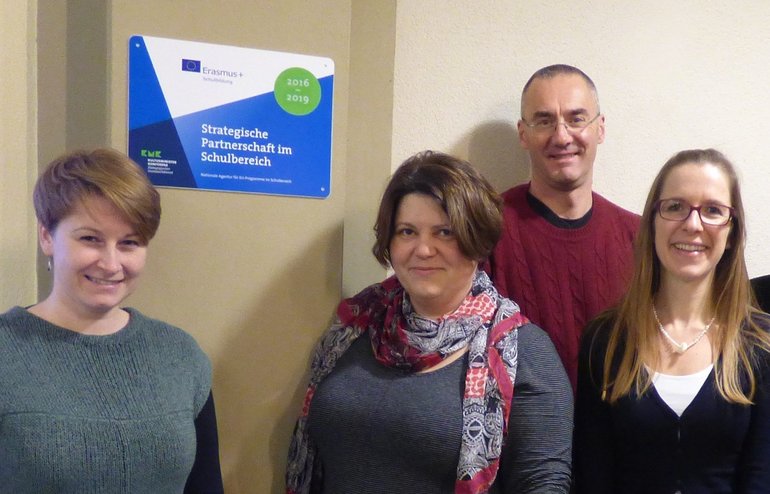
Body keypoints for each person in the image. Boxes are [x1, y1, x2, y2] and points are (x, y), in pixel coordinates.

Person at [286, 151, 572, 493]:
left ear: (477, 241)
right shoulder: (354, 327)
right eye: (407, 231)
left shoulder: (524, 352)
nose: (423, 249)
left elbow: (542, 483)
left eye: (445, 232)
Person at [0, 149, 224, 492]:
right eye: (90, 238)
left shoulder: (181, 357)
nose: (110, 263)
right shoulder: (7, 351)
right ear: (47, 237)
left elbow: (205, 487)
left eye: (129, 243)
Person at [573, 149, 770, 493]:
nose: (692, 224)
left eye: (712, 210)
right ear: (652, 222)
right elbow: (593, 475)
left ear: (731, 231)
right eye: (675, 207)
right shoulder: (606, 339)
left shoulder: (760, 341)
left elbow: (761, 476)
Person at [486, 64, 639, 390]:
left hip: (618, 437)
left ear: (600, 128)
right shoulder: (486, 230)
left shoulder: (639, 237)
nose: (561, 135)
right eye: (544, 121)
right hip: (519, 437)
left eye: (576, 118)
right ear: (523, 134)